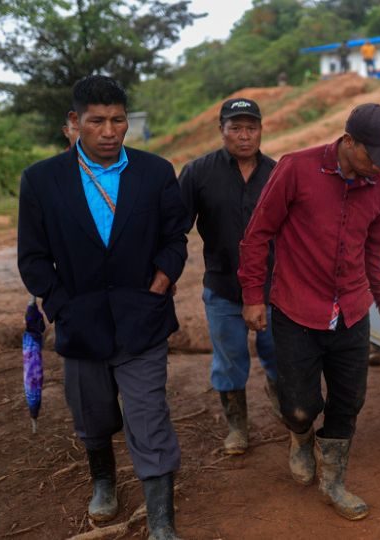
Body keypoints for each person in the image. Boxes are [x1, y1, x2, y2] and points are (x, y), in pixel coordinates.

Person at [17, 75, 187, 538]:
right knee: (91, 413)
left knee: (148, 413)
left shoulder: (155, 172)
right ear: (75, 122)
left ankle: (161, 524)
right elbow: (32, 258)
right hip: (80, 322)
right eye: (97, 121)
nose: (109, 131)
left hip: (143, 318)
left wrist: (161, 279)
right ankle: (104, 481)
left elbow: (175, 238)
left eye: (117, 120)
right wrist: (60, 305)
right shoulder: (41, 180)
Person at [238, 103, 380, 521]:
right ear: (348, 142)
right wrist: (253, 295)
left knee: (350, 400)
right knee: (301, 405)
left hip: (350, 310)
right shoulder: (297, 169)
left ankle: (333, 482)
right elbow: (258, 235)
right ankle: (298, 436)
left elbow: (375, 249)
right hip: (296, 309)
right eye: (372, 158)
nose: (378, 169)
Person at [178, 98, 279, 456]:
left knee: (279, 355)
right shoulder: (198, 173)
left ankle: (285, 410)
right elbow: (176, 228)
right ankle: (238, 426)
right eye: (235, 128)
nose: (244, 136)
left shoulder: (277, 173)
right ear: (221, 130)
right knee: (229, 359)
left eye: (251, 127)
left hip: (273, 289)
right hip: (222, 287)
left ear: (261, 130)